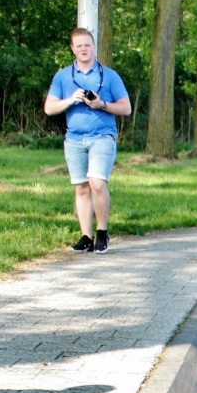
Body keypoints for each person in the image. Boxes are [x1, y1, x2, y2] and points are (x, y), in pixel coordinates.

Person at [43, 28, 132, 254]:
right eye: (79, 46)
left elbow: (126, 108)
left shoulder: (109, 75)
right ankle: (85, 235)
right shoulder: (63, 76)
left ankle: (102, 232)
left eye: (87, 45)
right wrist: (71, 100)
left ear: (94, 47)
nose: (84, 49)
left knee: (97, 182)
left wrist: (101, 104)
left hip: (102, 136)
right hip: (74, 139)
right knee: (81, 187)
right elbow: (49, 108)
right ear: (73, 49)